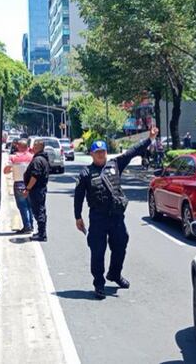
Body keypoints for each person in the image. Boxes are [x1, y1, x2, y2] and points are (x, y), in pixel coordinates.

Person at [74, 126, 158, 299]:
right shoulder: (85, 174)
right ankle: (99, 283)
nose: (100, 155)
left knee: (121, 245)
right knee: (98, 251)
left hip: (117, 217)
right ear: (91, 154)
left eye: (103, 152)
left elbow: (132, 152)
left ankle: (114, 273)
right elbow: (79, 196)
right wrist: (78, 216)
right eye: (97, 152)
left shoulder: (115, 165)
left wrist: (150, 139)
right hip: (98, 218)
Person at [3, 139, 34, 233]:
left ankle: (27, 226)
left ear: (19, 147)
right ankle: (31, 225)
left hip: (19, 184)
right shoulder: (32, 157)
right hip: (30, 184)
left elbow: (6, 171)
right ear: (27, 147)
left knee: (23, 206)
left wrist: (14, 169)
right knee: (30, 205)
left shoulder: (14, 157)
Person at [22, 139, 51, 242]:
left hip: (37, 190)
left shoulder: (38, 160)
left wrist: (27, 189)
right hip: (39, 190)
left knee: (39, 211)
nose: (33, 147)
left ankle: (42, 234)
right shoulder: (42, 159)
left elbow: (34, 176)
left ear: (39, 147)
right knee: (39, 210)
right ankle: (41, 232)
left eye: (35, 146)